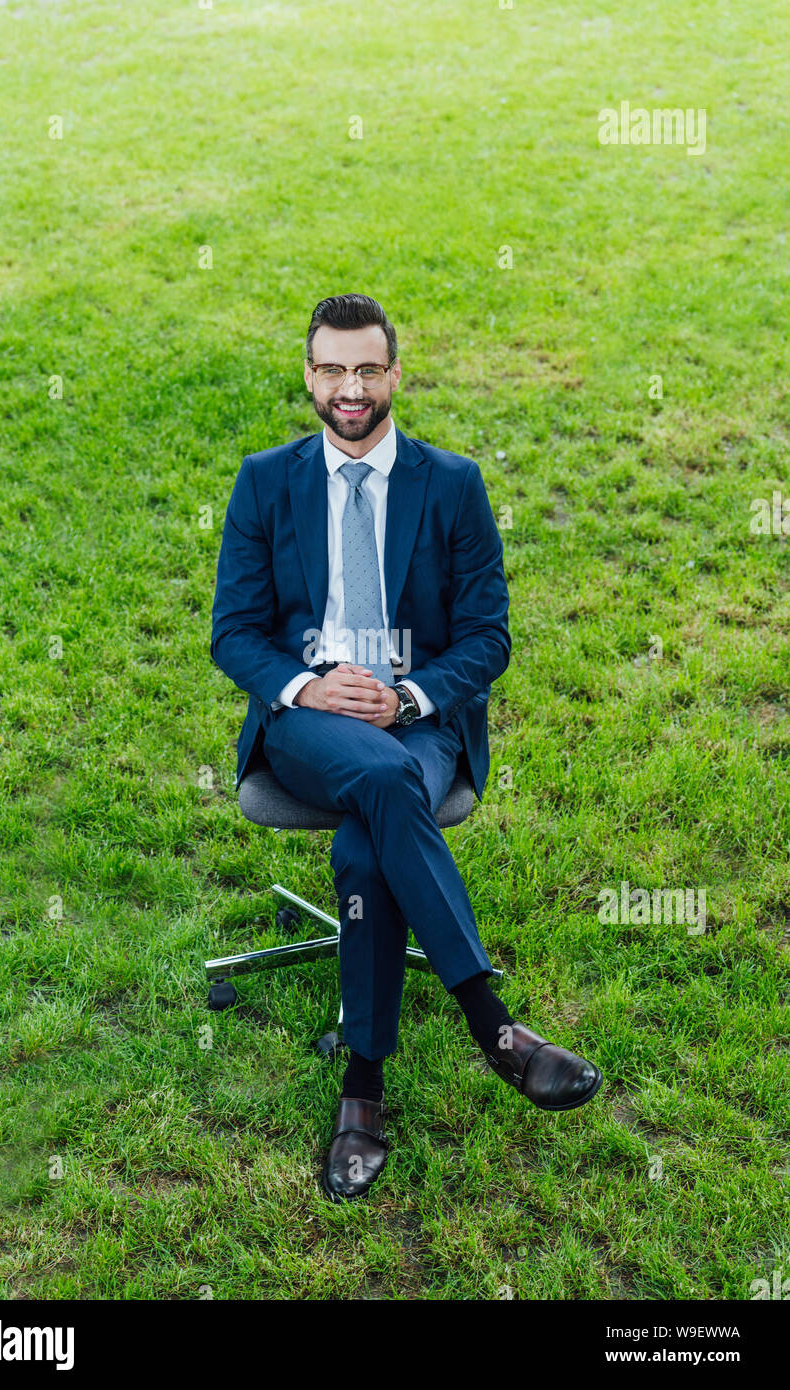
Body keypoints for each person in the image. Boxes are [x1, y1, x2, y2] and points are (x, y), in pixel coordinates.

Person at [211, 293, 602, 1203]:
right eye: (330, 369)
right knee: (382, 781)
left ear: (394, 373)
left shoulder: (451, 483)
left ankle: (361, 1093)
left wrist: (412, 694)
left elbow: (488, 636)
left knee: (366, 845)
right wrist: (308, 686)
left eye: (366, 369)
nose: (349, 388)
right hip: (307, 722)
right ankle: (493, 1025)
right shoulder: (265, 480)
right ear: (309, 375)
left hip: (419, 721)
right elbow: (234, 633)